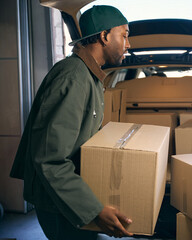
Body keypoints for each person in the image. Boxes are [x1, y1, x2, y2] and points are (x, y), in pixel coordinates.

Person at [10, 5, 132, 239]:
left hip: (68, 197)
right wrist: (94, 210)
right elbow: (50, 159)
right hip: (58, 202)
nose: (128, 44)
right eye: (124, 35)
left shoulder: (90, 77)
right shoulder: (73, 77)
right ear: (105, 36)